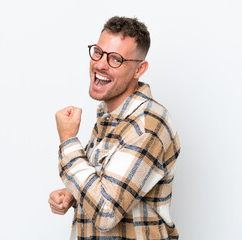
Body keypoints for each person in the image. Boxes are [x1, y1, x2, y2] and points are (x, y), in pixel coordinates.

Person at [48, 16, 181, 239]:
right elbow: (106, 188)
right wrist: (74, 194)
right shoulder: (108, 118)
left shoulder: (147, 124)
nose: (100, 64)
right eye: (98, 52)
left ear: (139, 69)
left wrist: (69, 141)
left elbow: (106, 211)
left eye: (116, 59)